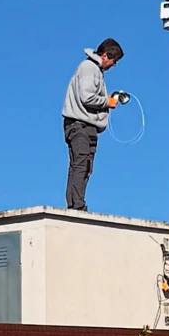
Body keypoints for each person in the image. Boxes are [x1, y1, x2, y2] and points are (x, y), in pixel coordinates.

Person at [61, 38, 124, 211]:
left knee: (84, 166)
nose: (113, 65)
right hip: (80, 125)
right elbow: (87, 96)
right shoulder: (89, 68)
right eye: (114, 61)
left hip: (84, 126)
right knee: (81, 164)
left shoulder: (92, 69)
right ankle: (76, 207)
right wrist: (107, 102)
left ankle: (76, 204)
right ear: (105, 56)